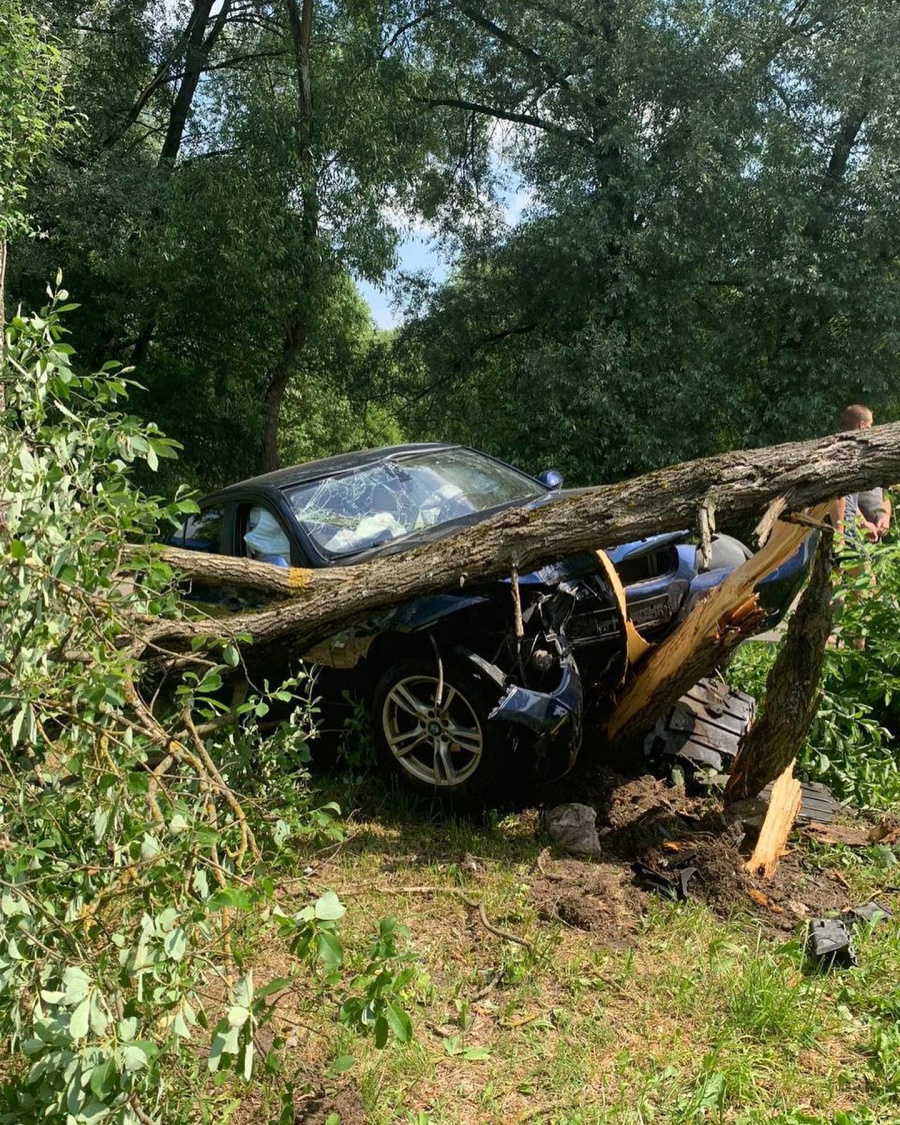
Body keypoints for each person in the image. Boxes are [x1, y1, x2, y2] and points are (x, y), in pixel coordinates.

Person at [830, 404, 892, 542]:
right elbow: (843, 499)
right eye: (870, 427)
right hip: (854, 533)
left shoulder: (875, 455)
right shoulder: (846, 457)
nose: (872, 431)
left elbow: (885, 496)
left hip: (875, 535)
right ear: (862, 425)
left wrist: (885, 518)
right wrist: (864, 524)